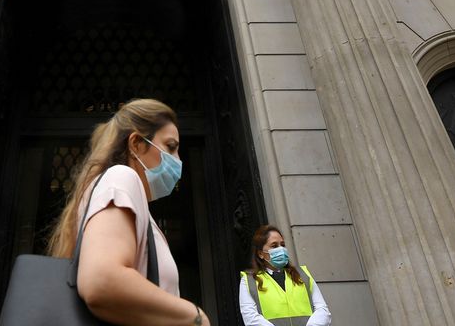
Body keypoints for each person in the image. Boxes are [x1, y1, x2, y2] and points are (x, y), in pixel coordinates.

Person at [48, 98, 210, 325]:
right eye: (171, 147)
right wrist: (195, 317)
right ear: (136, 144)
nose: (178, 160)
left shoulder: (124, 196)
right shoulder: (122, 177)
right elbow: (102, 280)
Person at [239, 225, 331, 326]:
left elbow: (322, 310)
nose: (281, 249)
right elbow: (251, 318)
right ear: (261, 253)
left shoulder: (303, 274)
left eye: (282, 245)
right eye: (274, 246)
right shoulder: (249, 280)